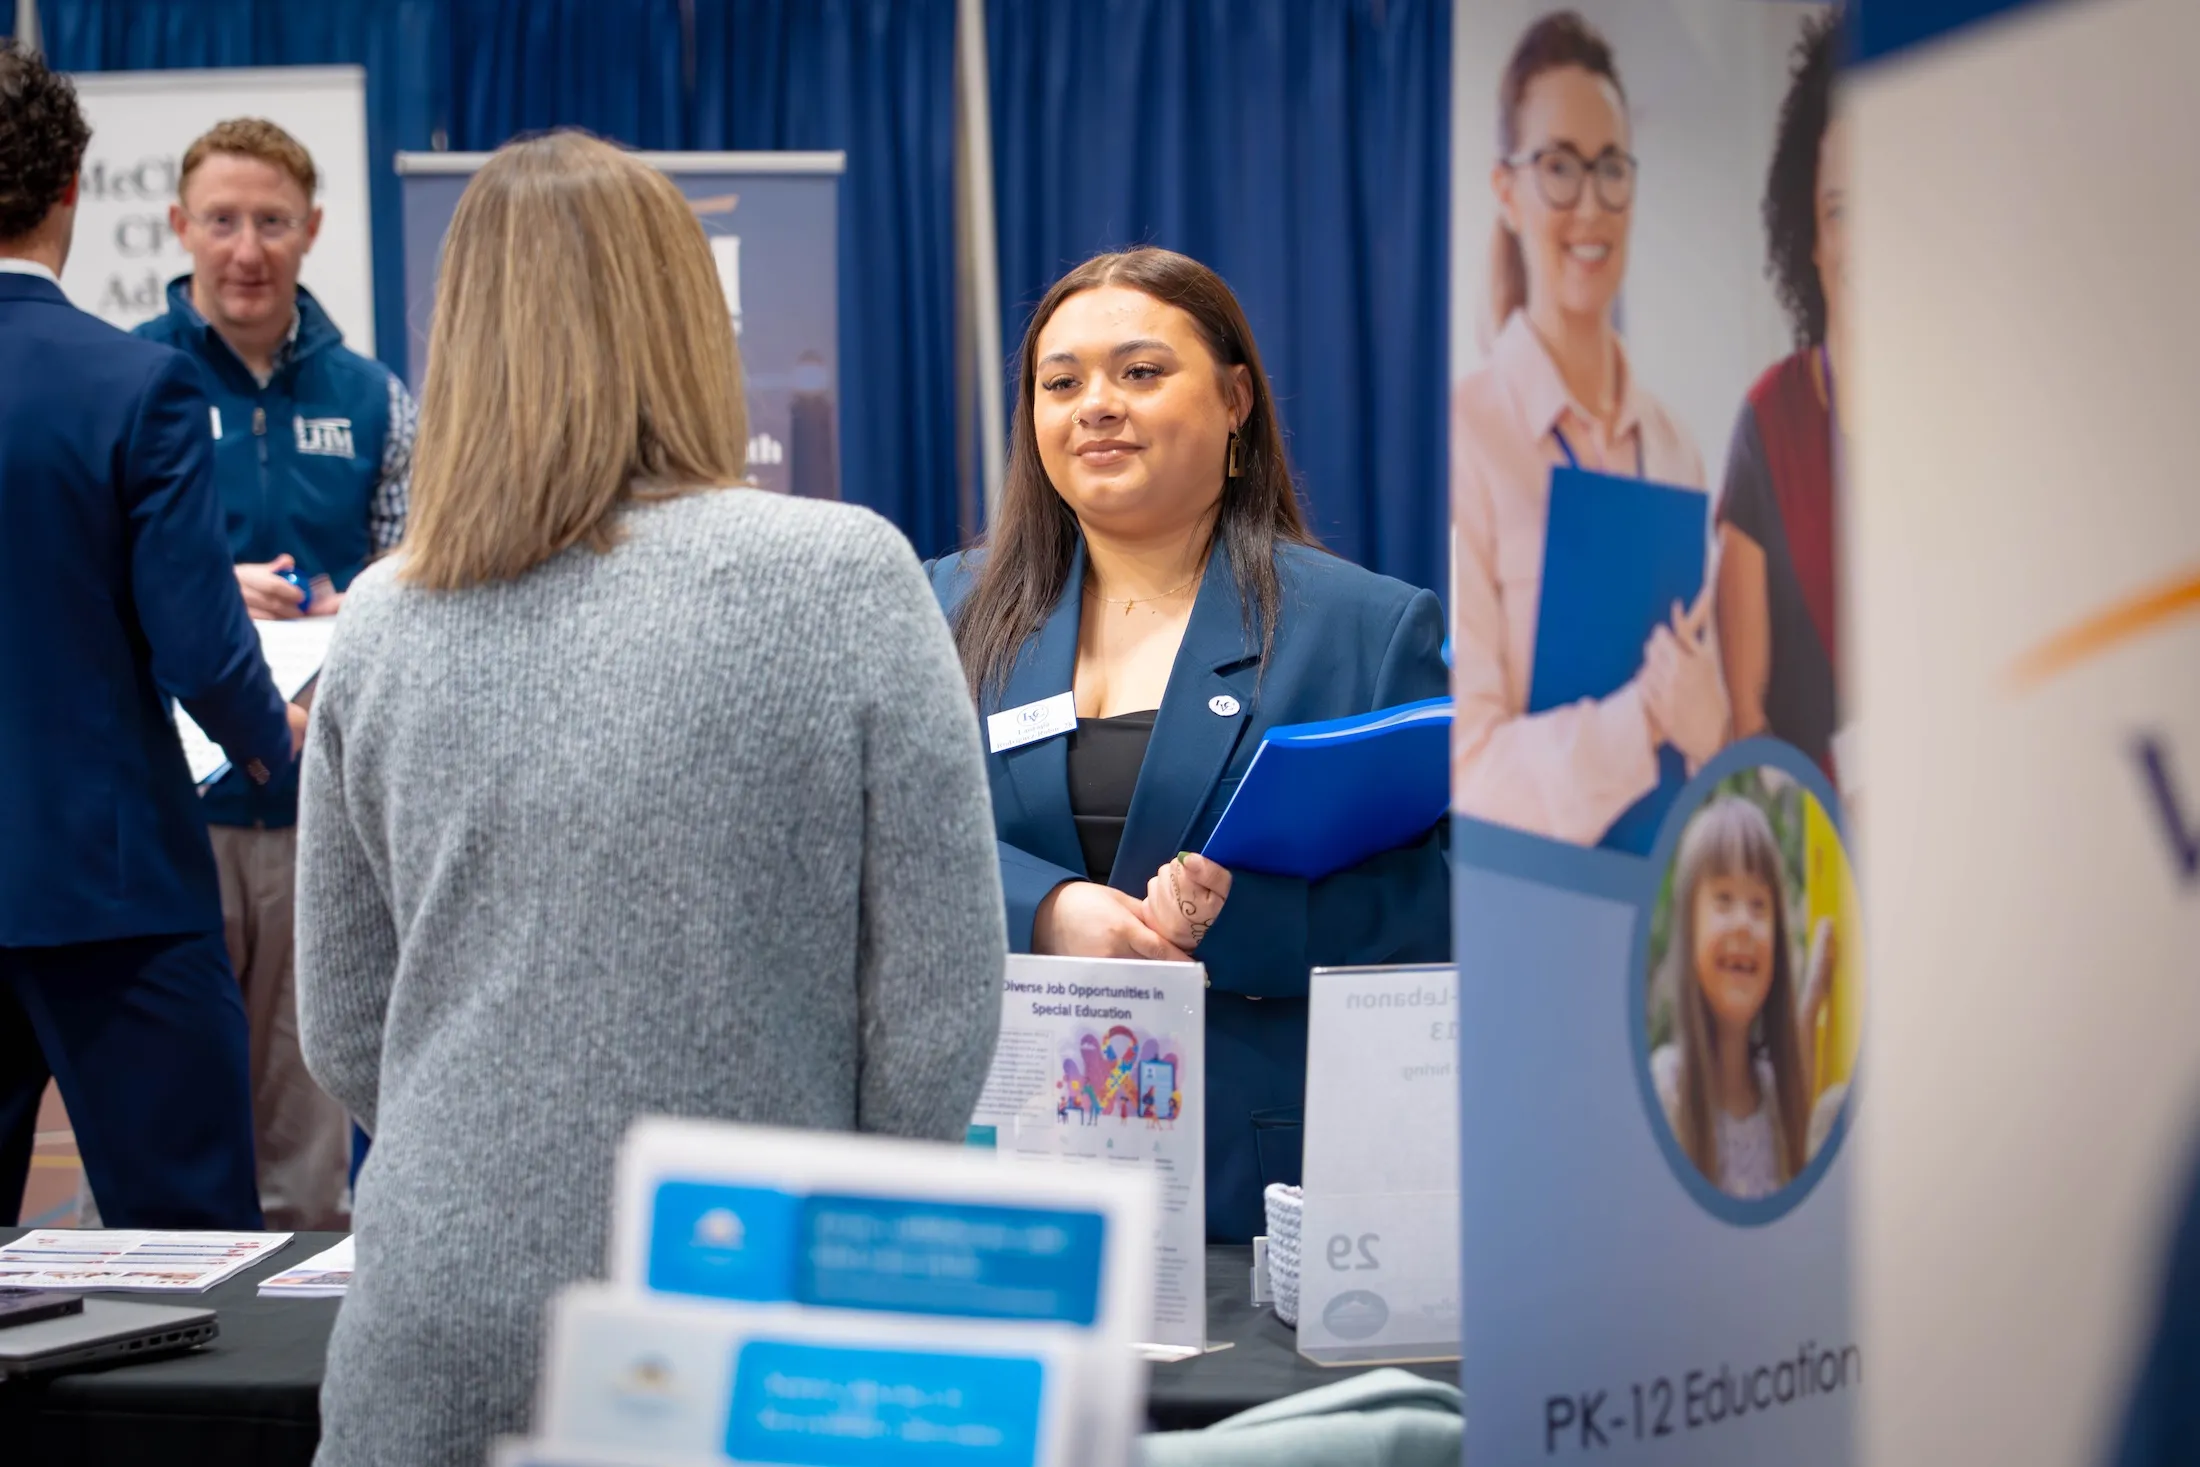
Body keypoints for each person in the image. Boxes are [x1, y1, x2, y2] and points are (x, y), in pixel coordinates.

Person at [293, 131, 1005, 1467]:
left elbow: (343, 1030)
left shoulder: (384, 618)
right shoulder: (846, 573)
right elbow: (935, 1016)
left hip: (438, 1299)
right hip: (754, 1287)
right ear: (689, 313)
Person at [928, 247, 1451, 1244]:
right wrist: (1044, 910)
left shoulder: (1364, 629)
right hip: (1004, 1163)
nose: (1096, 405)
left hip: (1251, 1187)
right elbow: (876, 843)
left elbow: (1450, 907)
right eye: (1061, 382)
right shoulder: (940, 606)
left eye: (1139, 372)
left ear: (1235, 399)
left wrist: (1235, 921)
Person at [0, 40, 302, 1229]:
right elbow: (196, 642)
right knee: (187, 1248)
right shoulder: (133, 388)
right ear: (75, 185)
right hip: (109, 894)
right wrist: (278, 743)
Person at [131, 117, 416, 1230]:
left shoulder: (373, 395)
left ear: (312, 231)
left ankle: (290, 1379)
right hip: (171, 810)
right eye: (221, 220)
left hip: (320, 809)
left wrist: (375, 593)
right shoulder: (130, 380)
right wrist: (196, 586)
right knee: (158, 1123)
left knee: (307, 1132)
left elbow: (419, 559)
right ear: (179, 228)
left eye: (271, 222)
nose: (245, 248)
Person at [1450, 10, 1728, 846]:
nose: (1591, 204)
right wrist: (1645, 717)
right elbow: (1466, 775)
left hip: (1664, 899)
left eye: (1611, 169)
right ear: (1507, 190)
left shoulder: (1676, 446)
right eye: (1559, 168)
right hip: (1528, 913)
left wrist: (1709, 726)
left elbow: (1703, 734)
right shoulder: (1467, 436)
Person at [1716, 11, 1847, 780]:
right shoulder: (1772, 419)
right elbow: (1747, 713)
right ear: (1811, 238)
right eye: (1841, 210)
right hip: (1813, 845)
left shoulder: (1970, 414)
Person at [1649, 795, 1834, 1200]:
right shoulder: (1668, 1090)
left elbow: (1796, 1067)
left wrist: (1817, 987)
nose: (1743, 923)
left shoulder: (1774, 1098)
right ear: (1689, 929)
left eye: (1758, 905)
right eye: (1723, 900)